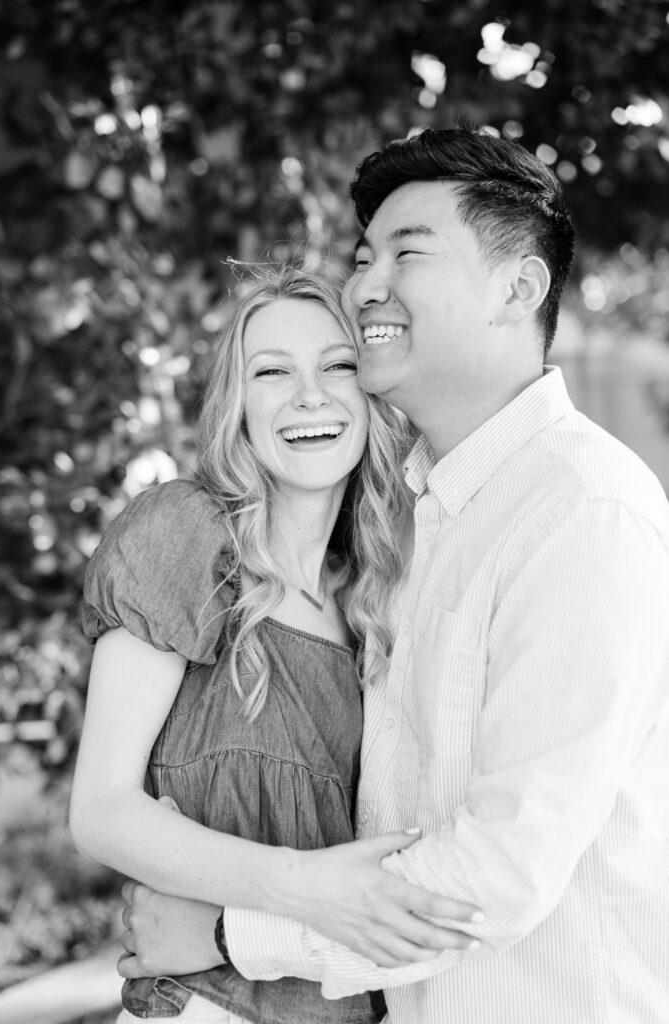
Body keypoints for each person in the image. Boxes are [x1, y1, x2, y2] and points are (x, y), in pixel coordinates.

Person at [122, 127, 669, 1023]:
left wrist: (227, 934)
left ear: (518, 288)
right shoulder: (409, 523)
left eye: (407, 252)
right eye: (364, 253)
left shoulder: (582, 512)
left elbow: (492, 875)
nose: (365, 283)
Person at [69, 267, 482, 1024]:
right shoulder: (185, 533)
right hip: (204, 1010)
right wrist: (300, 885)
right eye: (272, 372)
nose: (310, 396)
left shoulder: (382, 594)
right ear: (238, 406)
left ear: (369, 398)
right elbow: (100, 810)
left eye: (337, 366)